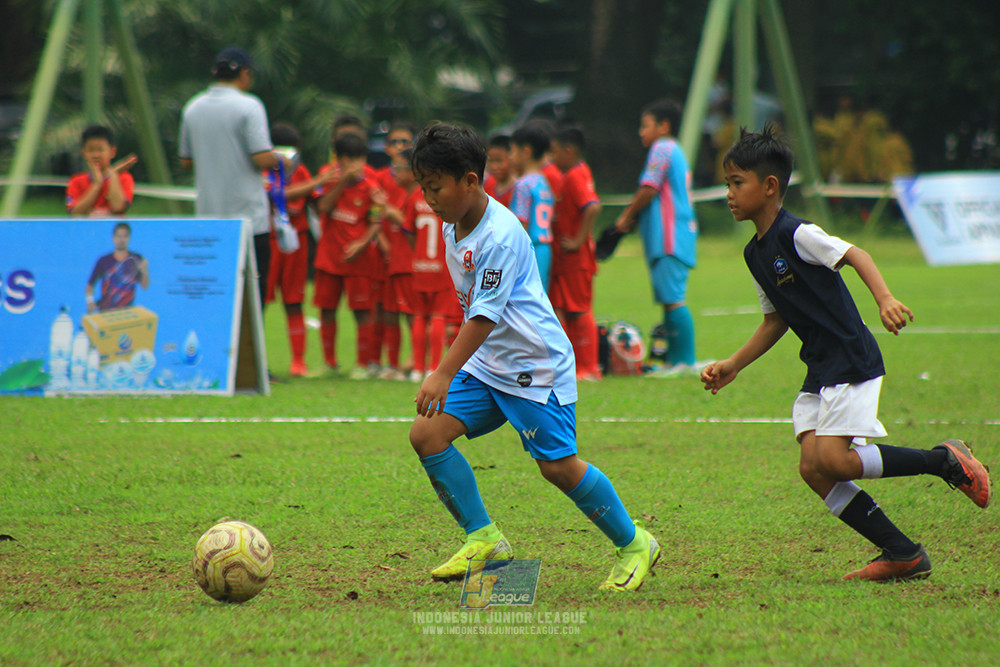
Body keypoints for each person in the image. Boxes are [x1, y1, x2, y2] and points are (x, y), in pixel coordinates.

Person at [702, 125, 991, 581]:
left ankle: (943, 461)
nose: (729, 194)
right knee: (813, 468)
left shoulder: (797, 233)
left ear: (770, 186)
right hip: (820, 366)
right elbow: (775, 319)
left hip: (850, 357)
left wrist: (884, 299)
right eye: (727, 184)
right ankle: (903, 553)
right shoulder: (754, 254)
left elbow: (856, 254)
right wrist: (732, 364)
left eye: (737, 183)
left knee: (834, 460)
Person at [408, 122, 660, 592]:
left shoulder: (500, 235)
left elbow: (483, 317)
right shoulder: (452, 223)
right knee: (427, 434)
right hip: (488, 364)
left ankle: (635, 544)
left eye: (435, 186)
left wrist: (443, 371)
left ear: (470, 181)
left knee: (558, 467)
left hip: (532, 367)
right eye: (423, 187)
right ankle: (484, 538)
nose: (428, 198)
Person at [178, 46, 287, 311]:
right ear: (245, 74)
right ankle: (249, 352)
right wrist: (283, 159)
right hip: (249, 219)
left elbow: (185, 161)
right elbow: (261, 157)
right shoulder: (249, 106)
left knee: (215, 292)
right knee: (252, 296)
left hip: (209, 217)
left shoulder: (192, 107)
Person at [614, 99, 699, 375]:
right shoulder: (673, 149)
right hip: (670, 236)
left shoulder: (662, 147)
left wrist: (626, 216)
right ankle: (674, 359)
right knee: (668, 296)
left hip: (670, 236)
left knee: (674, 297)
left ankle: (685, 360)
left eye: (645, 125)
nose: (641, 131)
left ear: (664, 126)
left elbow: (649, 187)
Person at [313, 132, 383, 379]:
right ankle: (329, 363)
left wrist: (362, 244)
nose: (353, 165)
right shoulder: (330, 180)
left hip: (359, 260)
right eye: (347, 160)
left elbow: (376, 221)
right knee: (326, 309)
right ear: (338, 160)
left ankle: (363, 364)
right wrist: (342, 182)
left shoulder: (372, 188)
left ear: (364, 159)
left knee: (362, 311)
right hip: (329, 257)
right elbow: (322, 208)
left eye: (357, 159)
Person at [264, 122, 324, 378]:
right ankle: (255, 359)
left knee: (294, 301)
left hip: (296, 244)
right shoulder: (263, 172)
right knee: (260, 301)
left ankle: (298, 362)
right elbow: (277, 195)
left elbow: (318, 201)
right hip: (268, 242)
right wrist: (317, 183)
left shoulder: (301, 172)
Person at [550, 124, 602, 381]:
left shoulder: (574, 175)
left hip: (576, 259)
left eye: (555, 151)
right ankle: (573, 366)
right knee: (565, 310)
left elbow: (592, 207)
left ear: (569, 151)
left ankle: (590, 367)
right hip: (566, 260)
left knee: (580, 310)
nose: (552, 157)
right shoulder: (572, 173)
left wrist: (578, 240)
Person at [376, 148, 418, 380]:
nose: (395, 174)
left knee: (413, 314)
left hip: (410, 264)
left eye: (399, 169)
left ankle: (416, 359)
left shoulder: (417, 197)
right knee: (393, 312)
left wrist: (391, 213)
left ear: (413, 172)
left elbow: (413, 229)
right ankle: (393, 363)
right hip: (397, 261)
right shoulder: (404, 196)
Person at [509, 123, 555, 290]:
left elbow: (521, 224)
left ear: (526, 151)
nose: (510, 156)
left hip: (530, 249)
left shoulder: (523, 185)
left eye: (512, 150)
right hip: (545, 249)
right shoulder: (543, 182)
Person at [66, 125, 137, 216]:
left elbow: (118, 208)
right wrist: (96, 185)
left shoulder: (124, 178)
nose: (96, 155)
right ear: (83, 153)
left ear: (112, 152)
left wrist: (113, 174)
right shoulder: (76, 181)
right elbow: (75, 212)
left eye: (101, 150)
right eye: (91, 150)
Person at [85, 222, 149, 313]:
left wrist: (145, 271)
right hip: (105, 312)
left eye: (124, 236)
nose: (121, 240)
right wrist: (90, 302)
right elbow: (90, 286)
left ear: (129, 238)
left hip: (127, 313)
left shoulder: (137, 259)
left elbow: (145, 286)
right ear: (113, 238)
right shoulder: (103, 261)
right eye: (118, 236)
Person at [483, 134, 516, 208]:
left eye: (499, 160)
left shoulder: (517, 189)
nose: (494, 166)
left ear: (511, 157)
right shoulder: (487, 186)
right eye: (490, 161)